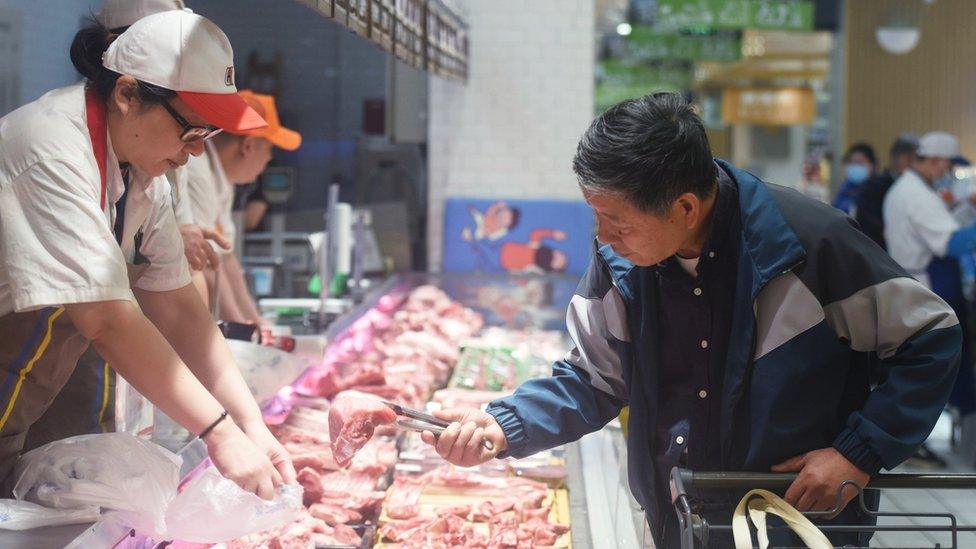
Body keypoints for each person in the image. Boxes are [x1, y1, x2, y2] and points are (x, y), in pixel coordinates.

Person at [421, 93, 961, 547]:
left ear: (684, 208)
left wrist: (858, 453)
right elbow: (594, 378)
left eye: (618, 220)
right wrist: (506, 424)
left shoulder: (805, 244)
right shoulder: (622, 260)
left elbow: (931, 335)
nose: (603, 236)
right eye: (596, 214)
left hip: (803, 521)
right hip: (683, 521)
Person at [0, 10, 295, 498]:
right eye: (191, 130)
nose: (196, 152)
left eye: (209, 135)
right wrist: (218, 432)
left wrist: (250, 423)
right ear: (127, 94)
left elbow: (179, 308)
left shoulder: (142, 173)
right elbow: (107, 319)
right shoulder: (50, 150)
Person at [883, 131, 976, 465]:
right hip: (924, 286)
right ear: (935, 160)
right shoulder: (915, 194)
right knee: (936, 364)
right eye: (947, 165)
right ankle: (915, 442)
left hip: (915, 284)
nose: (947, 172)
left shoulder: (914, 190)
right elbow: (950, 243)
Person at [185, 91, 301, 325]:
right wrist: (241, 327)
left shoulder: (223, 179)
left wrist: (254, 322)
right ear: (248, 146)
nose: (268, 160)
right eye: (269, 150)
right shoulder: (196, 168)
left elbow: (226, 257)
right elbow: (206, 261)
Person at [854, 133, 918, 250]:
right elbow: (871, 226)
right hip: (879, 254)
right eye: (917, 160)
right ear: (905, 158)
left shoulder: (913, 188)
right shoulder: (874, 188)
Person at [832, 142, 877, 216]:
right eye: (851, 162)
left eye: (859, 163)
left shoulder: (877, 191)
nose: (854, 166)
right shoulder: (846, 187)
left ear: (871, 166)